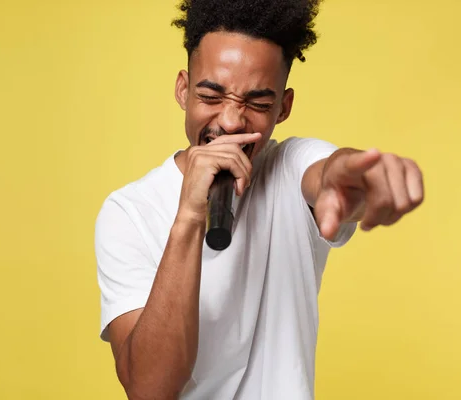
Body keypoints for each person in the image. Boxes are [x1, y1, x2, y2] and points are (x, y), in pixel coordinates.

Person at [94, 0, 424, 398]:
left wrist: (353, 179)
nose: (232, 121)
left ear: (283, 108)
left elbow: (327, 171)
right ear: (183, 90)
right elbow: (149, 389)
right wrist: (189, 214)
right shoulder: (129, 212)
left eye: (258, 103)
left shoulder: (289, 167)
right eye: (211, 97)